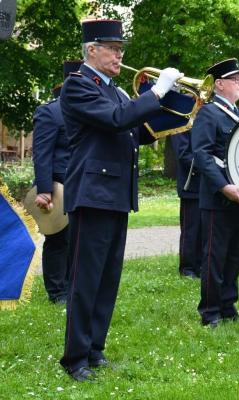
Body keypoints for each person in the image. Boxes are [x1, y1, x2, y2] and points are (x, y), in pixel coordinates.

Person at [59, 19, 182, 382]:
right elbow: (116, 121)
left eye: (121, 49)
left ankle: (95, 349)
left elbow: (136, 132)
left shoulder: (114, 91)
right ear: (92, 49)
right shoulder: (78, 86)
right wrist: (156, 92)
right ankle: (75, 358)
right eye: (113, 48)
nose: (119, 54)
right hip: (92, 193)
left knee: (107, 278)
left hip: (114, 193)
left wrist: (174, 102)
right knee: (85, 280)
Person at [191, 58, 239, 328]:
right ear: (219, 84)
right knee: (215, 256)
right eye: (235, 78)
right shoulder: (209, 113)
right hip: (218, 198)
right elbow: (201, 155)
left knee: (234, 254)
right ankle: (210, 311)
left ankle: (228, 304)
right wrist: (223, 187)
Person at [32, 60, 82, 304]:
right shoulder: (50, 111)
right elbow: (42, 154)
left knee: (79, 238)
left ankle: (73, 285)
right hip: (59, 186)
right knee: (58, 239)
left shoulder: (86, 108)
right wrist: (44, 190)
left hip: (84, 184)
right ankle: (57, 291)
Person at [170, 131, 202, 278]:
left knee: (205, 229)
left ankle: (201, 266)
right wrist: (208, 166)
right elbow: (184, 154)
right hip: (191, 185)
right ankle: (187, 268)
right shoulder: (182, 123)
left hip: (207, 185)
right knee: (191, 230)